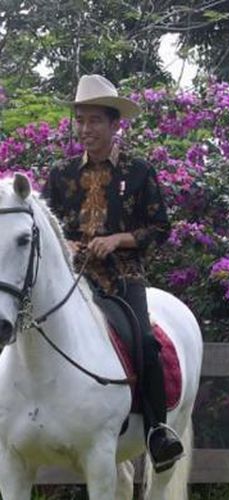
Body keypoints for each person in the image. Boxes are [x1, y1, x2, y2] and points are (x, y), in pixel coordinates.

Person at [42, 74, 183, 472]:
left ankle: (158, 431)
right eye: (80, 121)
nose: (85, 129)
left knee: (143, 340)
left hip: (123, 277)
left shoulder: (140, 172)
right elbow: (48, 227)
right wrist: (65, 245)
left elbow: (160, 229)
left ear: (114, 124)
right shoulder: (61, 173)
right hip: (73, 279)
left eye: (94, 121)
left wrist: (119, 239)